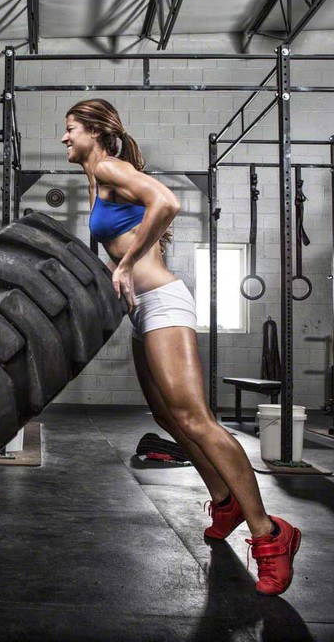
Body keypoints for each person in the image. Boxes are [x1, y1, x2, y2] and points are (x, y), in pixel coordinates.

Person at [62, 98, 301, 597]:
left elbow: (167, 202)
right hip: (144, 312)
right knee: (168, 419)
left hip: (164, 304)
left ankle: (270, 534)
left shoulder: (109, 166)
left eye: (70, 130)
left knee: (195, 419)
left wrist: (124, 265)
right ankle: (224, 499)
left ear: (96, 132)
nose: (64, 139)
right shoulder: (96, 176)